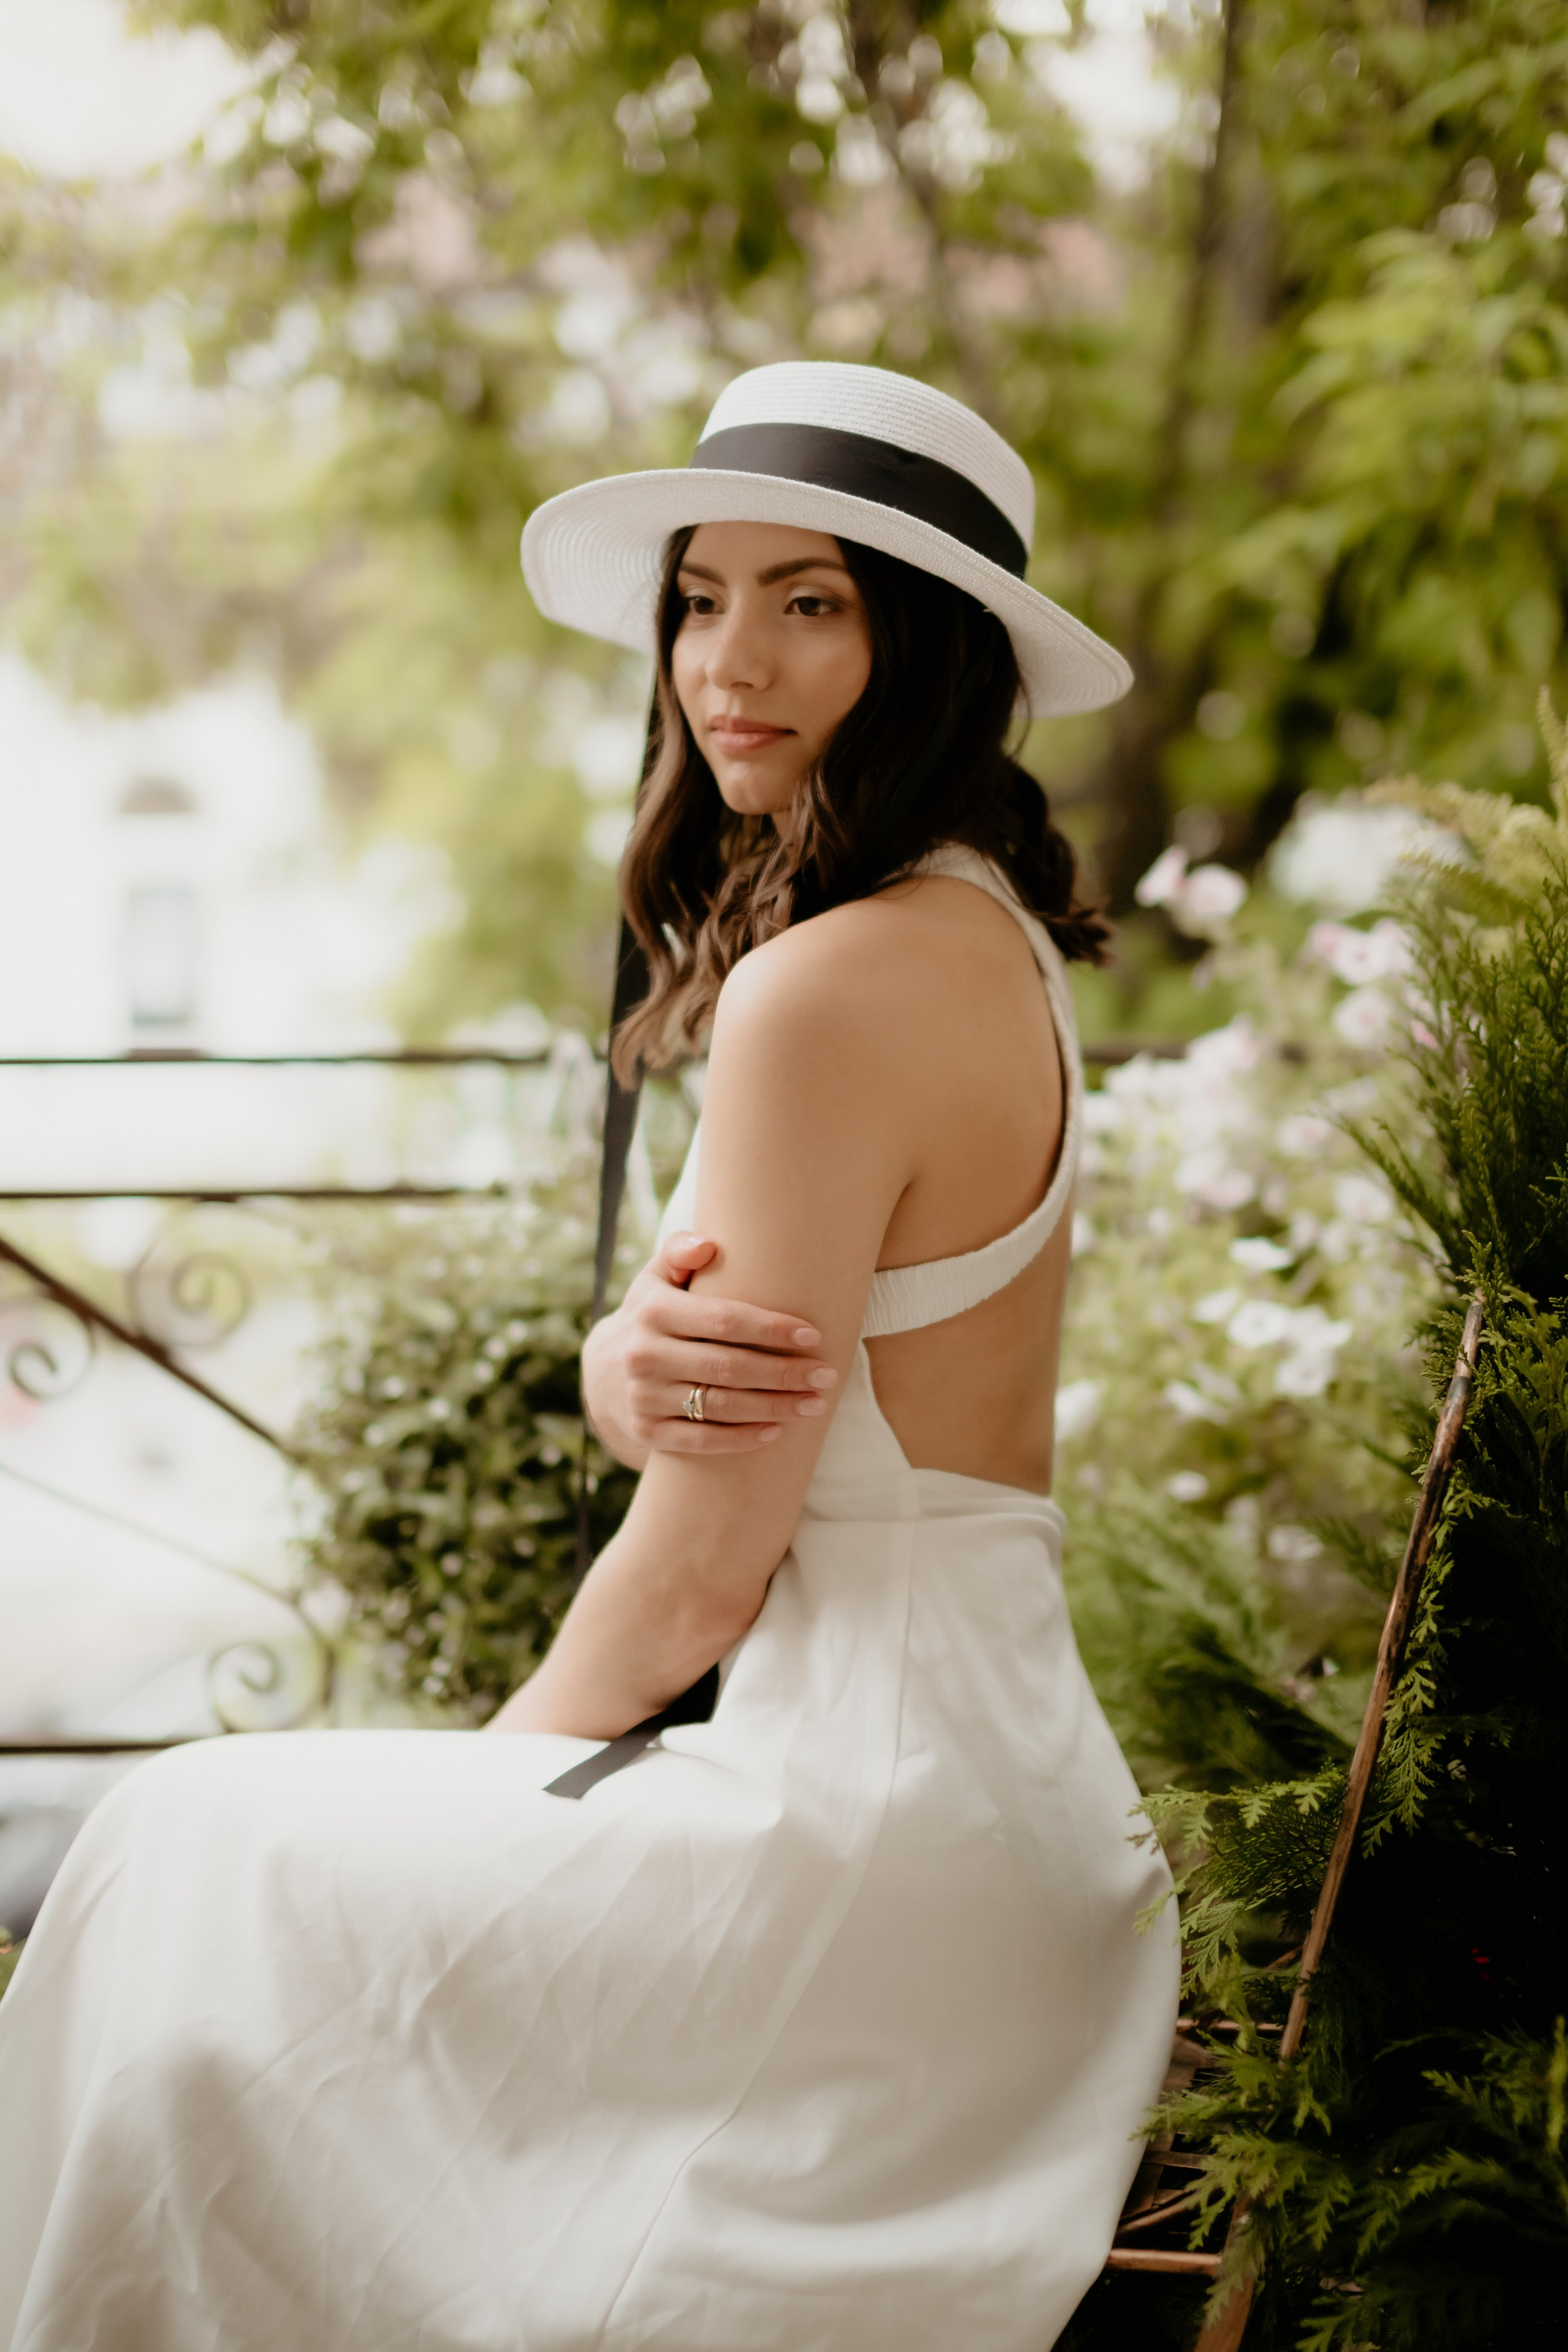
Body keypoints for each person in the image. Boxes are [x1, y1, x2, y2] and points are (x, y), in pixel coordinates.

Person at [0, 362, 1178, 2352]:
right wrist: (616, 1370)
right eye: (701, 598)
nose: (731, 661)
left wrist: (491, 1797)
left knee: (180, 1854)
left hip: (862, 1841)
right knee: (202, 1883)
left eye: (810, 601)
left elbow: (707, 1570)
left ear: (930, 648)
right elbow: (850, 1387)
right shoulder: (990, 940)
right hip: (1001, 1814)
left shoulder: (826, 988)